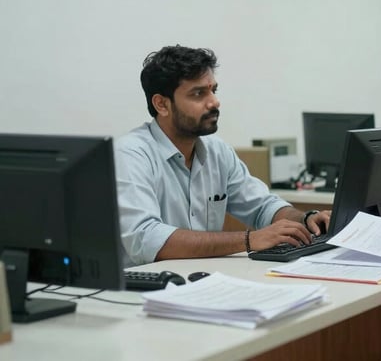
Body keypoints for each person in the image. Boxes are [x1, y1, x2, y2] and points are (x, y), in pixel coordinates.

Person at [116, 45, 331, 267]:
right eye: (198, 93)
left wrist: (305, 219)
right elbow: (146, 239)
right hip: (144, 293)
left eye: (213, 91)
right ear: (162, 104)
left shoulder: (217, 151)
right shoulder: (131, 154)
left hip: (203, 282)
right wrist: (248, 240)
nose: (214, 102)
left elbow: (263, 206)